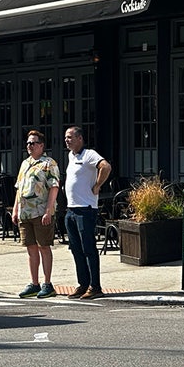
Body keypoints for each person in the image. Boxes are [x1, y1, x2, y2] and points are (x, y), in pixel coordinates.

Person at [63, 126, 111, 299]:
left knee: (89, 248)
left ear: (80, 138)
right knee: (76, 249)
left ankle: (95, 286)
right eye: (66, 137)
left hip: (86, 209)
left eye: (70, 137)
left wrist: (97, 185)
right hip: (71, 209)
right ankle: (82, 283)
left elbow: (105, 166)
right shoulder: (71, 155)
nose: (67, 140)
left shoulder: (89, 154)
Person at [13, 130, 60, 299]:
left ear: (41, 145)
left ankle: (48, 284)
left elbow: (54, 187)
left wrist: (48, 210)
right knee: (30, 248)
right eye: (27, 143)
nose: (29, 146)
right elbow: (19, 187)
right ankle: (34, 283)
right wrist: (15, 209)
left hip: (41, 212)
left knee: (44, 247)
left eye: (33, 143)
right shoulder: (25, 163)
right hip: (26, 213)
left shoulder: (49, 163)